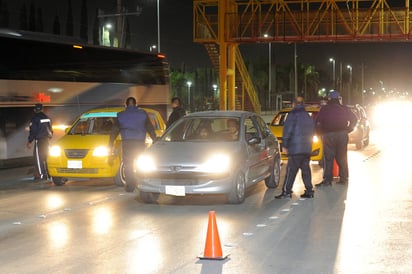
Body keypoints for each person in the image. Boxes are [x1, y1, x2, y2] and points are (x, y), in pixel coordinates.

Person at [110, 97, 157, 192]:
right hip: (139, 142)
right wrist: (154, 139)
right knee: (141, 162)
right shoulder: (143, 114)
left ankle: (130, 186)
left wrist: (110, 143)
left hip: (127, 142)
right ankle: (142, 183)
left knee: (128, 164)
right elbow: (149, 127)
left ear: (125, 104)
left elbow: (114, 130)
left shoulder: (121, 115)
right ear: (136, 104)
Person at [275, 96, 315, 199]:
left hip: (296, 148)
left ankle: (286, 192)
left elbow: (288, 131)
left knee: (291, 171)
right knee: (306, 170)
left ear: (293, 104)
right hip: (306, 148)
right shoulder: (307, 116)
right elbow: (312, 131)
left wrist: (284, 144)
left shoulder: (292, 115)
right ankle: (309, 191)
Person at [315, 90, 358, 186]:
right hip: (342, 134)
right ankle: (343, 178)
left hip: (329, 135)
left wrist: (319, 133)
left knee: (328, 157)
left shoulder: (325, 109)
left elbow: (318, 122)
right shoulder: (344, 108)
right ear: (339, 99)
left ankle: (327, 180)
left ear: (329, 98)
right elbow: (355, 119)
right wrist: (348, 129)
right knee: (342, 157)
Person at [26, 103, 53, 181]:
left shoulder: (35, 119)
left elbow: (33, 131)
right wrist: (49, 136)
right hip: (47, 141)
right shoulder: (48, 118)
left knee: (38, 159)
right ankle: (49, 174)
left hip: (40, 141)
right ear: (42, 109)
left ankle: (42, 175)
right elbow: (51, 129)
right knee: (47, 158)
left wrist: (29, 141)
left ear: (35, 110)